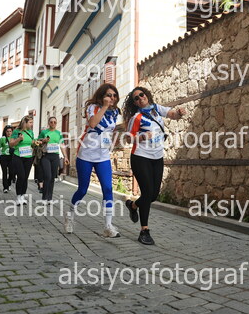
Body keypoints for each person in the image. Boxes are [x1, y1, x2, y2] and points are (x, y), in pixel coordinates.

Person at [122, 86, 186, 245]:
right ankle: (144, 231)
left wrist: (179, 113)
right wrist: (142, 136)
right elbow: (128, 138)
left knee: (153, 195)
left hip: (157, 157)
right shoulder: (136, 117)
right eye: (136, 98)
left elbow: (172, 114)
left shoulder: (156, 109)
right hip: (140, 157)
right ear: (135, 103)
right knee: (147, 192)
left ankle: (133, 205)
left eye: (141, 95)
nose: (140, 98)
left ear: (146, 95)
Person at [65, 83, 121, 237]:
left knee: (108, 189)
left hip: (103, 156)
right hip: (86, 154)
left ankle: (108, 226)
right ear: (102, 96)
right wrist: (104, 106)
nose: (112, 98)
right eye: (109, 95)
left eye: (114, 95)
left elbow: (110, 130)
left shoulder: (115, 112)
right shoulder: (93, 107)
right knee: (83, 189)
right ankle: (70, 215)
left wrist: (112, 141)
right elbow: (93, 123)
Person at [38, 117, 69, 202]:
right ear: (49, 123)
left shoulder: (59, 133)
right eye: (51, 122)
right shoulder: (44, 132)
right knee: (47, 176)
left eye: (55, 122)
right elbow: (38, 143)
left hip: (55, 157)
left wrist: (65, 156)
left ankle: (49, 198)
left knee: (52, 178)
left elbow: (62, 145)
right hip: (46, 156)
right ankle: (44, 197)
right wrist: (43, 140)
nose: (53, 123)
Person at [8, 116, 38, 205]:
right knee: (21, 176)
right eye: (30, 122)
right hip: (18, 156)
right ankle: (18, 197)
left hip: (28, 157)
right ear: (25, 123)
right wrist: (19, 139)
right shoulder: (16, 131)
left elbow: (32, 144)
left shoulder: (31, 132)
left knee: (25, 177)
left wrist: (35, 143)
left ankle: (22, 196)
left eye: (32, 122)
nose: (32, 124)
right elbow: (11, 144)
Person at [0, 126, 13, 193]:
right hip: (3, 157)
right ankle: (5, 187)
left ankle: (9, 183)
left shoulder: (14, 138)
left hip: (11, 157)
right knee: (4, 172)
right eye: (7, 131)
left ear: (12, 132)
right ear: (5, 132)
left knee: (12, 172)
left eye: (10, 131)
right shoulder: (2, 139)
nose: (9, 133)